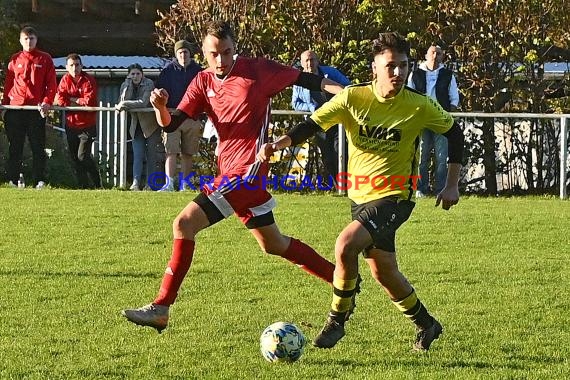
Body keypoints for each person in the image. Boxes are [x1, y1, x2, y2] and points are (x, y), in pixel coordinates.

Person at [121, 20, 348, 332]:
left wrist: (347, 94)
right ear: (204, 53)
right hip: (230, 172)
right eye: (214, 54)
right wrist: (160, 107)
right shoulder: (201, 82)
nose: (221, 60)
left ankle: (161, 306)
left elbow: (310, 80)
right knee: (274, 244)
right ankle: (343, 279)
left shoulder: (258, 70)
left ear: (234, 49)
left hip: (247, 174)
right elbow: (171, 125)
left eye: (227, 52)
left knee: (183, 223)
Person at [257, 32, 464, 351]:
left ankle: (337, 320)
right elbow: (312, 125)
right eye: (391, 66)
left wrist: (451, 183)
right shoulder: (353, 98)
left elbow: (454, 133)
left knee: (345, 245)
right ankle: (427, 324)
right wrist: (277, 144)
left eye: (404, 66)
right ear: (375, 68)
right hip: (361, 197)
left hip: (396, 197)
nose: (398, 73)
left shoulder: (419, 106)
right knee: (384, 272)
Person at [1, 26, 57, 189]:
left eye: (31, 38)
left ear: (36, 40)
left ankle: (39, 180)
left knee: (37, 147)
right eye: (25, 39)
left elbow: (51, 84)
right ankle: (12, 180)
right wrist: (4, 105)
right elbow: (9, 83)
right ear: (20, 41)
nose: (29, 42)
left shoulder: (45, 59)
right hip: (16, 109)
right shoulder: (14, 59)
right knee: (15, 147)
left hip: (35, 110)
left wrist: (47, 101)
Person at [291, 50, 351, 189]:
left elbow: (348, 88)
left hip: (337, 120)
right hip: (318, 123)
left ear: (317, 61)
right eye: (306, 60)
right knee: (328, 157)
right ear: (301, 63)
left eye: (312, 59)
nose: (309, 63)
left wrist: (336, 103)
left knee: (342, 152)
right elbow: (296, 104)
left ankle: (349, 186)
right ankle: (339, 187)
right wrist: (312, 108)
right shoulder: (299, 81)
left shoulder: (331, 73)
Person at [407, 44, 460, 197]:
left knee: (442, 157)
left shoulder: (448, 75)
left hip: (440, 120)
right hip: (421, 120)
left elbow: (454, 98)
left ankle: (441, 189)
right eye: (432, 53)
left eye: (438, 53)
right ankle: (420, 188)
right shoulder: (415, 74)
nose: (435, 56)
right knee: (421, 155)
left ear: (442, 56)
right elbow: (410, 96)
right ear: (426, 55)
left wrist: (448, 117)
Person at [155, 40, 203, 191]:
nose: (183, 55)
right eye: (180, 52)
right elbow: (159, 90)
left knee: (188, 152)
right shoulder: (167, 71)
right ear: (176, 55)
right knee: (171, 151)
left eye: (186, 52)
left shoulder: (199, 72)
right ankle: (169, 184)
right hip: (172, 116)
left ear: (190, 54)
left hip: (192, 117)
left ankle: (185, 184)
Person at [54, 53, 101, 189]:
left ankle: (97, 183)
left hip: (88, 125)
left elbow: (89, 101)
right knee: (75, 158)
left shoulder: (88, 80)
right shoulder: (64, 80)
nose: (75, 68)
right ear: (67, 67)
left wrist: (72, 99)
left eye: (77, 65)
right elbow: (61, 100)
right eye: (71, 65)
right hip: (71, 125)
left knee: (83, 156)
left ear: (81, 65)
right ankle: (83, 186)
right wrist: (77, 100)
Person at [116, 63, 162, 191]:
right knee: (138, 155)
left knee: (151, 155)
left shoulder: (149, 84)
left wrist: (124, 104)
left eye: (137, 73)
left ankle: (150, 184)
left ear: (142, 74)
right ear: (128, 75)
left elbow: (143, 102)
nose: (135, 76)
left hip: (150, 124)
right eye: (132, 74)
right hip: (136, 125)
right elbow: (122, 99)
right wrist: (127, 85)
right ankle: (135, 183)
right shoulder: (126, 84)